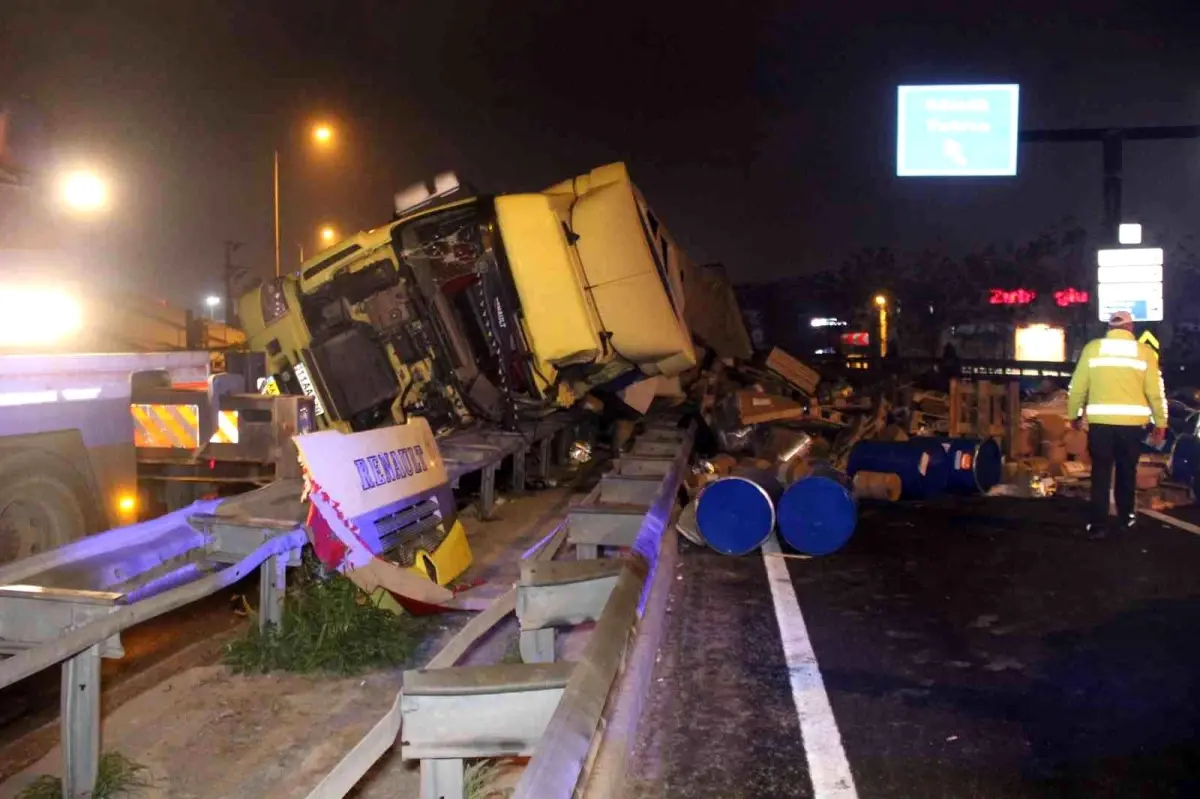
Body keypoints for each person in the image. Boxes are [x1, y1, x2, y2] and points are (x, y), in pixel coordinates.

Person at [1067, 310, 1168, 538]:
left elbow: (1077, 386)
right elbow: (1155, 392)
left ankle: (1098, 524)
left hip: (1101, 425)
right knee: (1126, 471)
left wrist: (1074, 415)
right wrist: (1160, 422)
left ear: (1110, 328)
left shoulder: (1093, 349)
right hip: (1132, 427)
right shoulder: (1145, 353)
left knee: (1101, 473)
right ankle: (1126, 519)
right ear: (1131, 328)